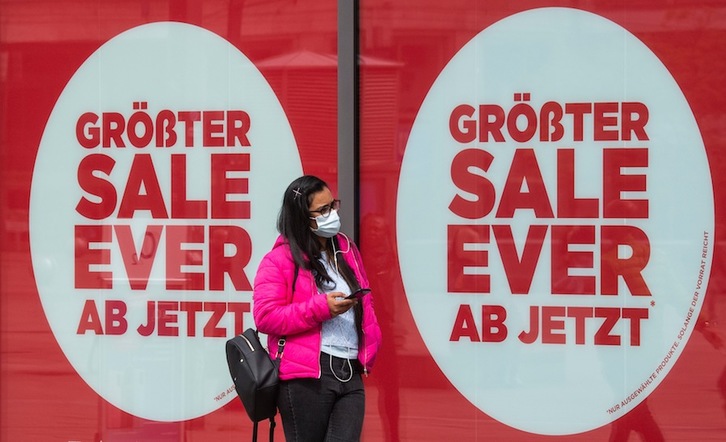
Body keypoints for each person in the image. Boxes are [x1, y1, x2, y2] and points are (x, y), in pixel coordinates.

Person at [253, 175, 382, 441]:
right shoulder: (279, 260)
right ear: (302, 218)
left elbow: (367, 302)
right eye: (322, 210)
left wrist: (372, 341)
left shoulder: (347, 250)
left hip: (350, 370)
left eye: (332, 205)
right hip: (306, 376)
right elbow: (265, 316)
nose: (332, 214)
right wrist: (321, 308)